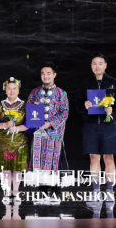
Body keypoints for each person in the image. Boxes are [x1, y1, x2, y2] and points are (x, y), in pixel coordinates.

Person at [75, 53, 116, 197]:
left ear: (105, 65)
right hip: (91, 125)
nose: (97, 66)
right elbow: (77, 103)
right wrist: (84, 105)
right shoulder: (86, 84)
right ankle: (96, 190)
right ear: (91, 66)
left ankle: (109, 190)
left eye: (100, 63)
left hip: (108, 125)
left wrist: (113, 110)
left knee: (109, 157)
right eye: (94, 63)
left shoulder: (114, 83)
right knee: (94, 157)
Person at [27, 61, 69, 196]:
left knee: (54, 160)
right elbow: (29, 110)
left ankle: (56, 188)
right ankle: (43, 188)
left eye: (48, 73)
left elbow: (64, 113)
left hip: (54, 133)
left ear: (54, 75)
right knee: (39, 160)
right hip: (39, 132)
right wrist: (34, 109)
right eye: (43, 73)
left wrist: (51, 124)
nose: (45, 76)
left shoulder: (61, 93)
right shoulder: (35, 93)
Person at [0, 77, 29, 203]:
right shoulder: (0, 105)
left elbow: (30, 123)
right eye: (9, 88)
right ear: (5, 90)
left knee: (18, 169)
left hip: (19, 141)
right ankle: (6, 192)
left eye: (14, 88)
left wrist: (16, 129)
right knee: (5, 169)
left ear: (18, 90)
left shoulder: (24, 105)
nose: (12, 91)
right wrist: (5, 125)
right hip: (2, 142)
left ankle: (15, 192)